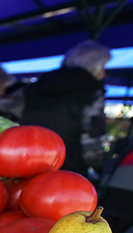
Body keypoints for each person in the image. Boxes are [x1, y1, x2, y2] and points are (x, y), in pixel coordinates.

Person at [20, 40, 111, 178]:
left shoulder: (40, 84)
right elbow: (92, 136)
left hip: (29, 160)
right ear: (95, 65)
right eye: (103, 67)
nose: (104, 73)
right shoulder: (91, 89)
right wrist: (101, 168)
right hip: (68, 168)